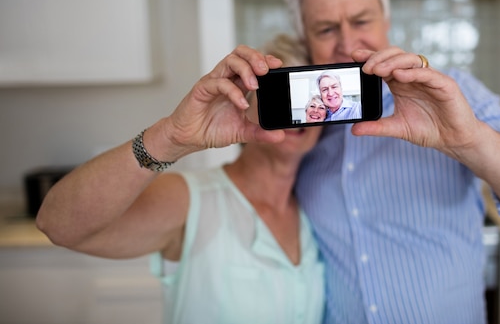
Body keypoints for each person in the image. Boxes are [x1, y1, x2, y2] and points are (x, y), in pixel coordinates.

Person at [284, 0, 500, 324]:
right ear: (305, 37)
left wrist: (468, 139)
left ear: (386, 20)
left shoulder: (451, 93)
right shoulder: (303, 127)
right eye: (325, 28)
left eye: (361, 21)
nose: (347, 42)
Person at [36, 34, 325, 324]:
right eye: (282, 93)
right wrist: (170, 137)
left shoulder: (316, 212)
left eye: (308, 94)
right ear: (244, 102)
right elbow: (56, 224)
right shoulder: (190, 199)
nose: (296, 111)